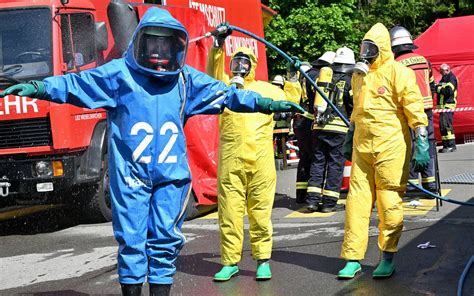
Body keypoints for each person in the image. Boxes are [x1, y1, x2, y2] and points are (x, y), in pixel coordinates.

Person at [0, 8, 304, 296]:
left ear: (177, 47)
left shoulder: (185, 80)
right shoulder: (120, 75)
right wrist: (40, 88)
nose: (159, 52)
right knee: (131, 241)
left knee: (165, 240)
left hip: (171, 177)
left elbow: (227, 95)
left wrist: (267, 103)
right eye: (153, 44)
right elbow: (76, 83)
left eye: (167, 45)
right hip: (130, 176)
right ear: (140, 42)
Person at [206, 24, 301, 282]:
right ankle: (230, 261)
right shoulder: (225, 88)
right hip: (231, 162)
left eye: (245, 62)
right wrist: (217, 47)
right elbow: (212, 74)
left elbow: (291, 100)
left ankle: (262, 260)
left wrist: (293, 78)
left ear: (253, 64)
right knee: (229, 214)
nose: (240, 66)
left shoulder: (267, 89)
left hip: (261, 163)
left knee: (260, 214)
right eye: (236, 61)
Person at [338, 23, 430, 279]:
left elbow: (413, 106)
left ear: (383, 49)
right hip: (362, 147)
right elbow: (357, 110)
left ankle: (387, 256)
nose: (365, 53)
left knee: (389, 201)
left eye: (371, 48)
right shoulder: (360, 75)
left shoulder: (399, 72)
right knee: (356, 203)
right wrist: (350, 136)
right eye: (363, 47)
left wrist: (421, 139)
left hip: (391, 146)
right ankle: (352, 258)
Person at [390, 25, 438, 194]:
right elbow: (432, 85)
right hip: (426, 109)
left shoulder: (395, 64)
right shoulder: (424, 60)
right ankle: (430, 183)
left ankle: (411, 184)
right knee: (427, 144)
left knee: (409, 145)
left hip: (408, 110)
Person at [306, 46, 354, 212]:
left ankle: (312, 201)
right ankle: (328, 203)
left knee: (318, 162)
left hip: (319, 126)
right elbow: (352, 105)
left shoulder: (325, 77)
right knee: (335, 164)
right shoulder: (350, 80)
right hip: (339, 129)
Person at [294, 51, 335, 204]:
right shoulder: (322, 76)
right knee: (317, 158)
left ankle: (301, 195)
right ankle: (315, 196)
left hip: (299, 120)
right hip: (310, 120)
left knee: (304, 157)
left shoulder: (307, 73)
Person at [436, 63, 458, 153]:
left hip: (448, 105)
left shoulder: (451, 78)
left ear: (447, 70)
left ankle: (451, 145)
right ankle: (446, 145)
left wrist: (438, 88)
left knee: (447, 126)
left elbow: (448, 91)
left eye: (442, 71)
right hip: (443, 107)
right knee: (443, 126)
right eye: (440, 71)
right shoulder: (444, 78)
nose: (441, 73)